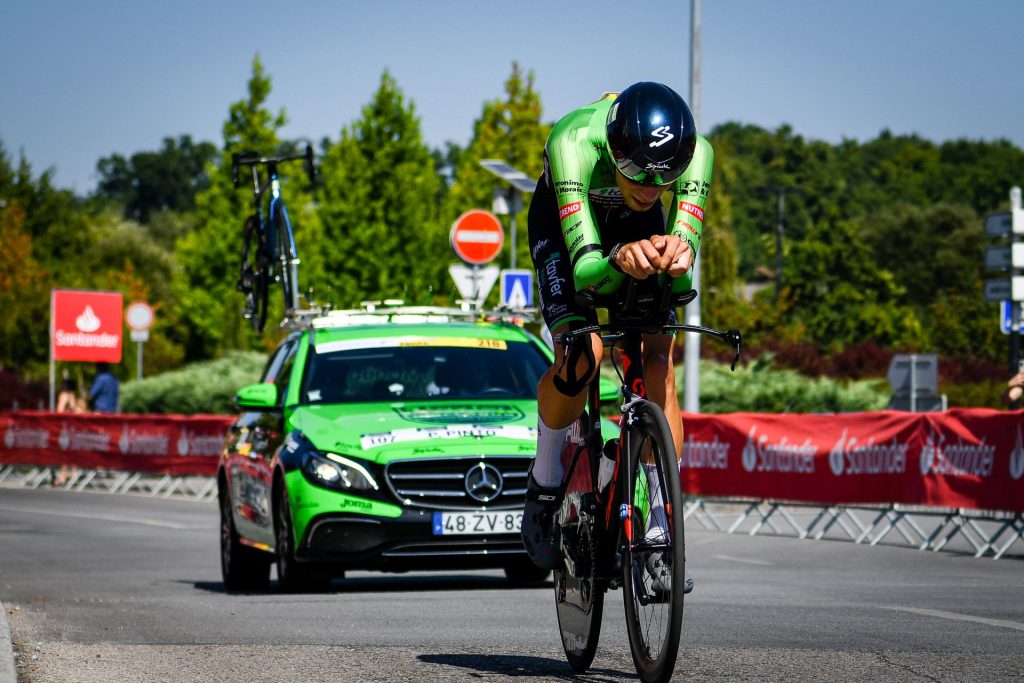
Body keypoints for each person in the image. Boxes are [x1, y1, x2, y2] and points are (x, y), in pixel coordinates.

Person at [521, 82, 712, 593]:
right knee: (583, 354)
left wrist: (678, 253)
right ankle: (544, 482)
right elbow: (586, 270)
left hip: (638, 230)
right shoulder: (572, 142)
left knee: (659, 365)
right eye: (637, 173)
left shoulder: (697, 154)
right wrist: (618, 258)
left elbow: (683, 264)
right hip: (566, 231)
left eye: (665, 178)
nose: (651, 187)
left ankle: (661, 527)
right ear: (613, 149)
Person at [53, 376, 86, 486]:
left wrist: (73, 404)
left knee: (71, 452)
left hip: (72, 430)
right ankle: (66, 475)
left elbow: (80, 412)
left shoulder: (76, 399)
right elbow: (60, 411)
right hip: (67, 430)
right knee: (66, 452)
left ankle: (71, 475)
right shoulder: (65, 397)